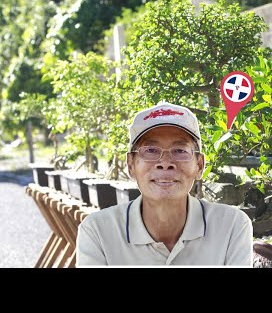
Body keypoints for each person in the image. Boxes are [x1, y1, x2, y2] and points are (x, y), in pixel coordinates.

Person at [76, 101, 253, 266]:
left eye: (179, 150)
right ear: (130, 165)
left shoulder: (231, 226)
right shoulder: (98, 231)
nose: (166, 162)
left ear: (199, 165)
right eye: (151, 150)